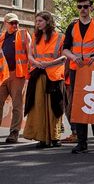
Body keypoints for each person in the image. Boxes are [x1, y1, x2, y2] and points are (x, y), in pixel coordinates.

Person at [62, 0, 94, 154]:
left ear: (92, 7)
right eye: (79, 7)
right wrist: (73, 57)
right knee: (79, 106)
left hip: (93, 70)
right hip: (77, 70)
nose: (82, 10)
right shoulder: (72, 27)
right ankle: (82, 142)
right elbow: (65, 49)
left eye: (85, 6)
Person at [23, 11, 67, 148]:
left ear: (48, 22)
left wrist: (48, 63)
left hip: (54, 76)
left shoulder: (60, 37)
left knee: (54, 107)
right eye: (37, 21)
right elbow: (30, 55)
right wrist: (35, 62)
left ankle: (55, 137)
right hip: (38, 75)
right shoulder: (36, 37)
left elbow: (64, 56)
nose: (37, 24)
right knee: (39, 107)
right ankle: (42, 137)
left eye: (40, 21)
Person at [0, 13, 32, 143]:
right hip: (3, 76)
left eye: (16, 23)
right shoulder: (1, 37)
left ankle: (14, 133)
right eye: (12, 23)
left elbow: (30, 53)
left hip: (18, 75)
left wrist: (29, 74)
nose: (15, 25)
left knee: (17, 104)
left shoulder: (24, 34)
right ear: (5, 23)